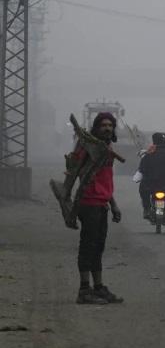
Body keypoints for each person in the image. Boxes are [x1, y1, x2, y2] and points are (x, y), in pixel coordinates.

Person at [51, 112, 124, 305]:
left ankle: (98, 288)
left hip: (102, 204)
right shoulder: (87, 146)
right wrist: (66, 197)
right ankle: (84, 290)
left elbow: (105, 182)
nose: (107, 128)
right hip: (88, 203)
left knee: (98, 247)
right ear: (96, 128)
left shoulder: (107, 148)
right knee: (88, 247)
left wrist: (114, 205)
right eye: (103, 125)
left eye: (110, 125)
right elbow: (75, 170)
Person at [138, 132, 165, 219]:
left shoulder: (149, 154)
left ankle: (147, 209)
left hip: (150, 184)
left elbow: (142, 168)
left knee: (143, 189)